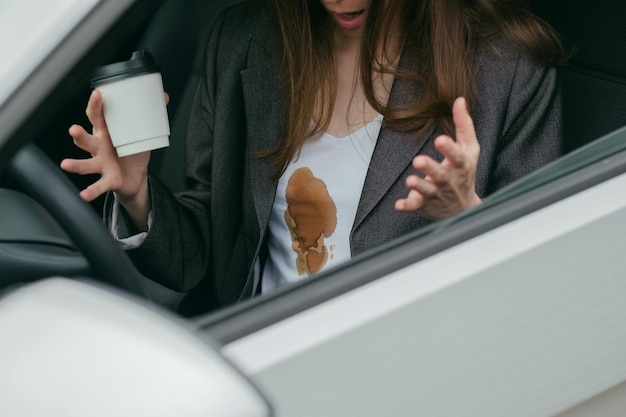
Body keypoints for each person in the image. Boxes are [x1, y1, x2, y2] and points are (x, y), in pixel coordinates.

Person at [62, 0, 567, 313]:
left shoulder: (508, 70)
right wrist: (139, 194)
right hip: (262, 355)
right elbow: (208, 259)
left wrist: (466, 218)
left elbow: (543, 292)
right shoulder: (242, 43)